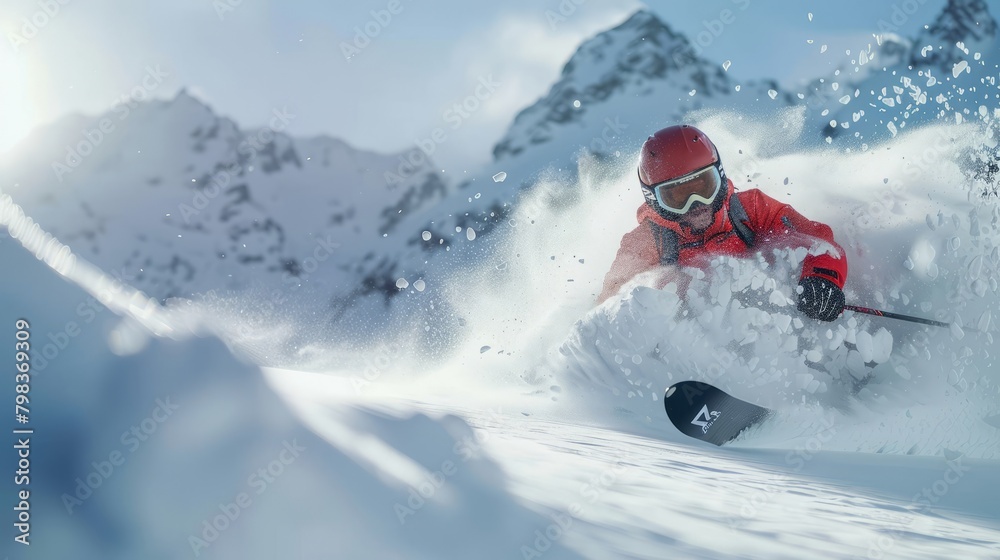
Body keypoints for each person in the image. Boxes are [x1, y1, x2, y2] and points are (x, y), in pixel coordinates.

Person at [598, 124, 847, 322]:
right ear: (655, 200)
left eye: (703, 187)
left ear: (720, 176)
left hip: (771, 329)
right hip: (692, 347)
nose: (695, 205)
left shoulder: (750, 210)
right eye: (677, 197)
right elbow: (609, 306)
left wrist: (822, 280)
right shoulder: (648, 242)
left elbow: (817, 239)